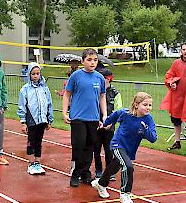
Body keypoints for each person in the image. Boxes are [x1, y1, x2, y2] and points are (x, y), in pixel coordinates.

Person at [91, 92, 157, 203]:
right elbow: (114, 116)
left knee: (114, 167)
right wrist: (106, 123)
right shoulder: (124, 114)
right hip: (117, 145)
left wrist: (146, 130)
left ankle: (101, 184)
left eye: (150, 105)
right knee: (128, 166)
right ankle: (125, 194)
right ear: (136, 105)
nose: (148, 108)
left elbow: (153, 138)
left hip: (130, 150)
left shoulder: (148, 119)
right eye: (145, 105)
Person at [62, 49, 107, 187]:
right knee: (79, 145)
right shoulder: (76, 76)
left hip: (93, 118)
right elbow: (67, 94)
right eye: (89, 60)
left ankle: (85, 172)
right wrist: (65, 112)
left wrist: (104, 115)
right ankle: (75, 173)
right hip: (78, 117)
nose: (92, 62)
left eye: (95, 60)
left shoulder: (99, 78)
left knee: (90, 146)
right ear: (82, 61)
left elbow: (102, 96)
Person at [17, 62, 53, 175]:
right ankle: (31, 162)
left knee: (39, 141)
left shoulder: (45, 88)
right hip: (31, 119)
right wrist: (23, 122)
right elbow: (22, 106)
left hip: (42, 120)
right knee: (31, 141)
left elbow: (49, 103)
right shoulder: (25, 90)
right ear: (29, 74)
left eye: (37, 73)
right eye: (33, 74)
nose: (36, 76)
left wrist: (49, 119)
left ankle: (38, 162)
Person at [93, 68, 122, 179]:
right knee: (96, 149)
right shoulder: (95, 92)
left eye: (104, 79)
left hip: (109, 126)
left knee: (109, 149)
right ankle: (98, 170)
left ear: (109, 79)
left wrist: (111, 123)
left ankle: (110, 171)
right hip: (96, 124)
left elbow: (118, 110)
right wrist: (97, 121)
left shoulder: (115, 93)